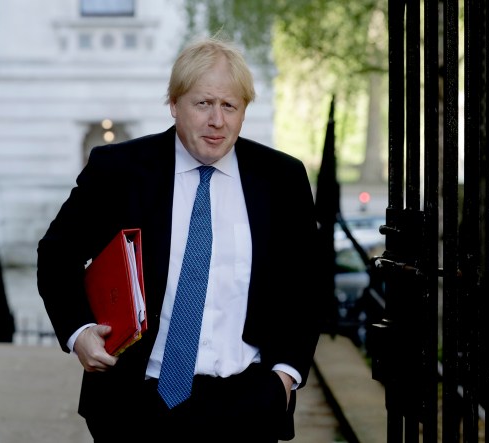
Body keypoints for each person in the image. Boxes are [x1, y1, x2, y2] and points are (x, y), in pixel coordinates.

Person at [37, 34, 326, 442]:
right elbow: (57, 255)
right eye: (203, 103)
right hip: (135, 403)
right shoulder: (119, 171)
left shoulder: (282, 179)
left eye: (230, 106)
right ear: (174, 104)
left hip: (247, 403)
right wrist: (79, 330)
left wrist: (285, 377)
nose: (217, 120)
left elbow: (307, 285)